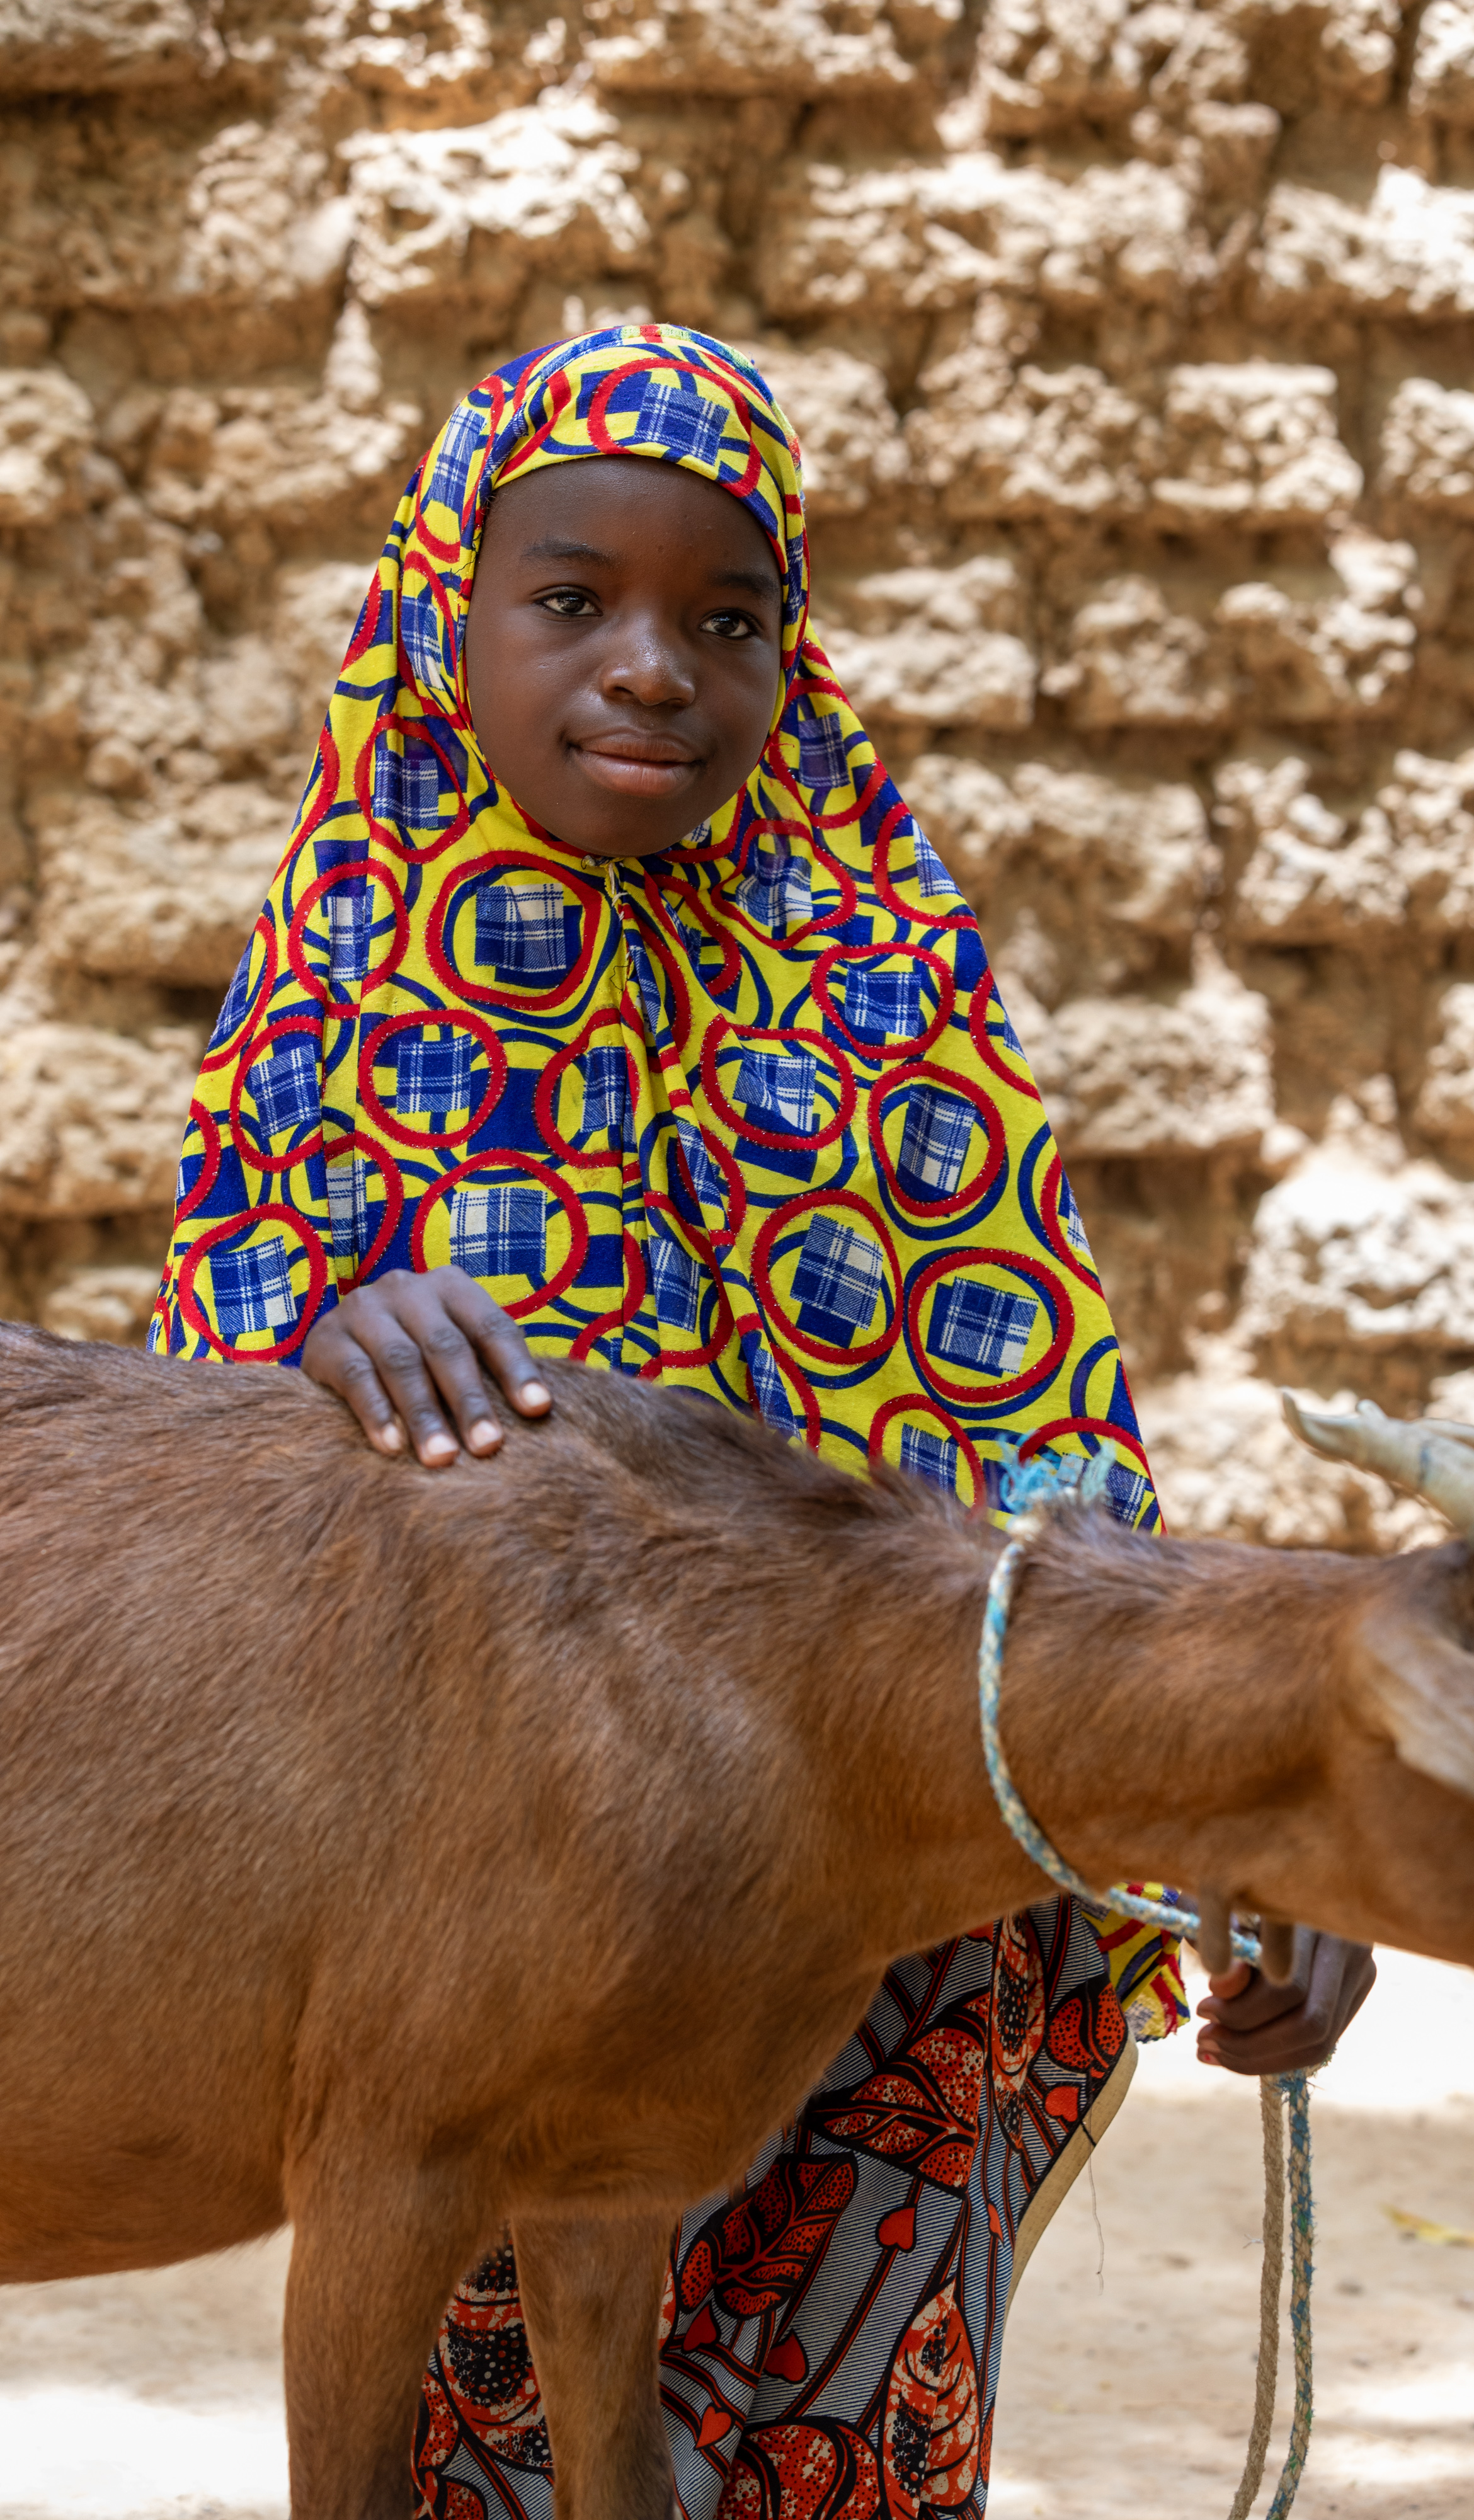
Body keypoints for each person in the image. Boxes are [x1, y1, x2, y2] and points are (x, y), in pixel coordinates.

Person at [151, 324, 1374, 2519]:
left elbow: (1047, 1503)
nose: (652, 668)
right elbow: (208, 1488)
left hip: (872, 1916)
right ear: (443, 617)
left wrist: (1246, 1839)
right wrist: (316, 1338)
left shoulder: (885, 994)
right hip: (495, 1909)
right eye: (570, 600)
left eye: (727, 621)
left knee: (812, 2445)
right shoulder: (338, 992)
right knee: (478, 2405)